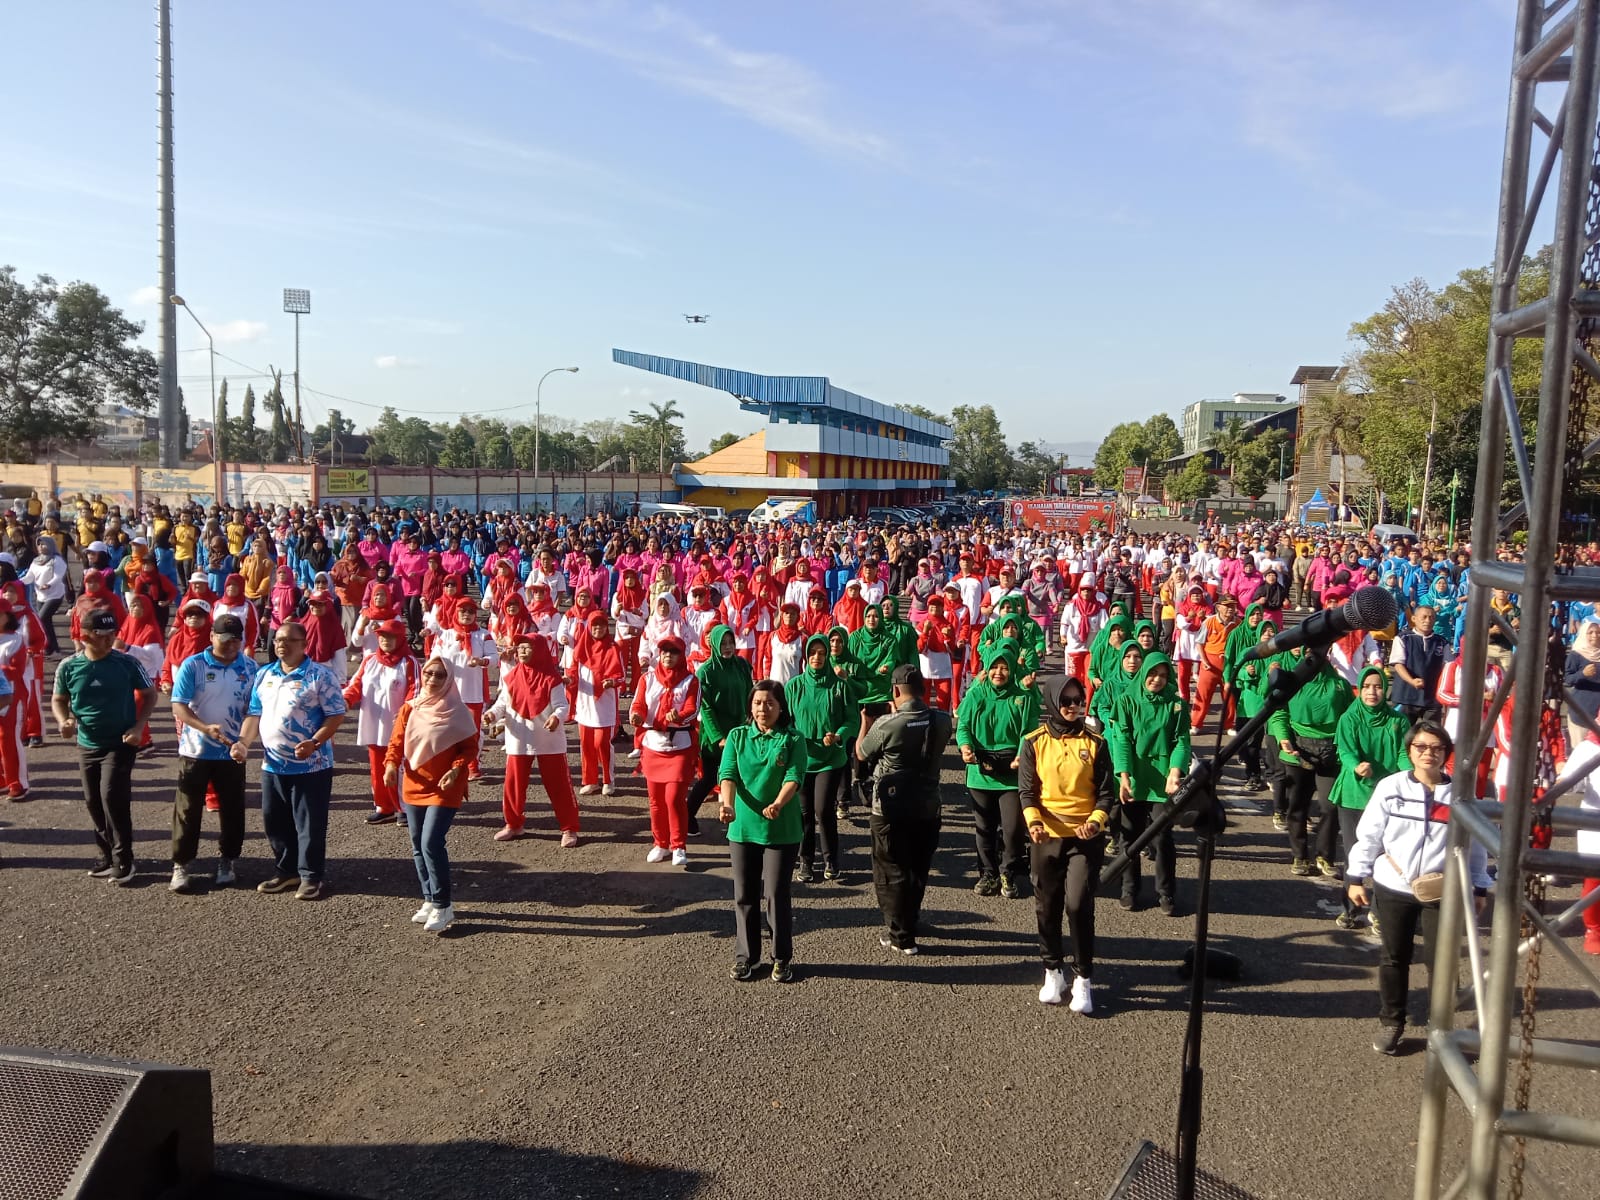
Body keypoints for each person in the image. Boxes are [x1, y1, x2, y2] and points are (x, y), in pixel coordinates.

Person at [1346, 720, 1490, 1055]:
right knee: (1395, 957)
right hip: (1393, 886)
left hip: (1442, 889)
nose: (1428, 753)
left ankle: (1441, 1029)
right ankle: (1392, 1021)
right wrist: (1356, 876)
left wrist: (1480, 886)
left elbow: (1477, 845)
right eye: (1421, 747)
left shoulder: (1462, 795)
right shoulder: (1391, 787)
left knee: (1442, 963)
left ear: (1446, 754)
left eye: (1437, 748)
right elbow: (1369, 835)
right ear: (1409, 751)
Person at [231, 620, 348, 900]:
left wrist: (315, 742)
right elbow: (254, 714)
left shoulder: (320, 676)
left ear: (303, 644)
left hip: (312, 765)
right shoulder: (265, 674)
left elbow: (336, 714)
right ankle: (287, 871)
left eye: (288, 640)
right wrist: (243, 743)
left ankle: (311, 876)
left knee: (309, 823)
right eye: (278, 640)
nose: (281, 644)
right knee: (275, 821)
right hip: (272, 764)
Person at [1021, 675, 1115, 1011]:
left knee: (1077, 904)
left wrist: (1095, 822)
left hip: (1084, 838)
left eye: (1078, 700)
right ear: (1051, 703)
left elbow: (1107, 793)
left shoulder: (1096, 742)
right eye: (1066, 701)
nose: (1073, 707)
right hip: (1045, 836)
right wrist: (1033, 822)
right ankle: (1052, 971)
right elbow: (1027, 791)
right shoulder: (1033, 742)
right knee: (1047, 906)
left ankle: (1083, 979)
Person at [52, 608, 157, 885]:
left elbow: (149, 694)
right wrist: (64, 721)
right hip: (87, 742)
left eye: (113, 633)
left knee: (112, 796)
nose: (110, 639)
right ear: (85, 636)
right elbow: (59, 699)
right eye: (103, 635)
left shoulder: (127, 663)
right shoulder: (69, 666)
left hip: (120, 742)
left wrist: (138, 727)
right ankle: (106, 855)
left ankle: (125, 858)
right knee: (93, 800)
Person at [857, 664, 952, 955]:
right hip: (927, 805)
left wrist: (866, 721)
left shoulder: (888, 723)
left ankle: (900, 935)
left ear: (895, 690)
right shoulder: (943, 720)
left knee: (890, 870)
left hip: (889, 808)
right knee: (917, 868)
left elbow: (861, 752)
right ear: (923, 689)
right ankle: (911, 920)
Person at [718, 679, 807, 982]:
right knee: (744, 894)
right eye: (757, 703)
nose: (762, 709)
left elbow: (794, 776)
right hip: (742, 827)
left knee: (776, 893)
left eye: (769, 703)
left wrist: (780, 803)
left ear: (781, 707)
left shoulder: (793, 738)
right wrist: (727, 805)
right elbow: (727, 773)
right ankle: (748, 957)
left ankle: (781, 957)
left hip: (781, 828)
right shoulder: (737, 736)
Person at [385, 658, 479, 934]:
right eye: (429, 673)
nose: (433, 679)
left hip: (444, 787)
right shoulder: (411, 708)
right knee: (417, 843)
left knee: (431, 842)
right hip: (414, 783)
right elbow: (396, 742)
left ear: (448, 679)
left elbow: (469, 749)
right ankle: (428, 898)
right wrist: (390, 765)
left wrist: (456, 770)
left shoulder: (458, 710)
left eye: (440, 675)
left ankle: (442, 903)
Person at [167, 613, 257, 892]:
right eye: (225, 639)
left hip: (231, 751)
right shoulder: (193, 665)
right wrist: (204, 728)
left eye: (236, 639)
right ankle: (181, 864)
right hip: (196, 749)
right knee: (187, 808)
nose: (231, 645)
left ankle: (227, 860)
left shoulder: (251, 668)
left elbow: (254, 710)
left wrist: (243, 742)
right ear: (212, 637)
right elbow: (179, 705)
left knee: (232, 808)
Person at [1329, 665, 1411, 930]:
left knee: (1385, 856)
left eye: (1377, 687)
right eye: (1367, 687)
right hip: (1354, 793)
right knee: (1356, 853)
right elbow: (1345, 750)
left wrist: (1411, 773)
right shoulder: (1349, 718)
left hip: (1387, 796)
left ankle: (1379, 912)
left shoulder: (1397, 720)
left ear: (1385, 690)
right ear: (1360, 689)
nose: (1372, 692)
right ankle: (1351, 910)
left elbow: (1402, 752)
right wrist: (1356, 765)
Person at [955, 641, 1039, 899]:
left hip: (1012, 771)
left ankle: (1008, 871)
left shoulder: (1023, 697)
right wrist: (965, 747)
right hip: (981, 771)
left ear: (1012, 669)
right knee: (984, 827)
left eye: (1004, 667)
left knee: (1013, 828)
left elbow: (1030, 732)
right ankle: (988, 873)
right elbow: (963, 727)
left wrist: (1020, 756)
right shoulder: (977, 694)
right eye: (994, 667)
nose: (999, 673)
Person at [1109, 652, 1191, 915]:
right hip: (1133, 776)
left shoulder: (1176, 704)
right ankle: (1129, 888)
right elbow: (1121, 738)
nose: (1157, 679)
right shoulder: (1126, 701)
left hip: (1163, 780)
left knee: (1162, 837)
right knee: (1129, 836)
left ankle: (1166, 892)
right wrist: (1123, 775)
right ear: (1144, 673)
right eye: (1153, 674)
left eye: (1163, 675)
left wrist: (1175, 771)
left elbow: (1181, 740)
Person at [1267, 645, 1353, 879]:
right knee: (1297, 806)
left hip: (1330, 751)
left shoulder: (1339, 684)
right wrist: (1284, 738)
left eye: (1317, 654)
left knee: (1329, 806)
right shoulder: (1293, 682)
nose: (1312, 658)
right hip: (1297, 750)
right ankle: (1299, 855)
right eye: (1308, 654)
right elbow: (1279, 712)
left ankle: (1325, 855)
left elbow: (1349, 717)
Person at [486, 633, 580, 845]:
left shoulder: (551, 678)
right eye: (519, 648)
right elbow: (502, 703)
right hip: (519, 738)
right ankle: (513, 823)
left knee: (559, 785)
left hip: (548, 739)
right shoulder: (511, 677)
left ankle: (569, 828)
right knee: (513, 785)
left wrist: (556, 718)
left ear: (538, 651)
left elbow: (562, 706)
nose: (522, 651)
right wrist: (492, 715)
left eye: (527, 647)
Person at [785, 632, 857, 882]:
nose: (817, 657)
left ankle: (831, 859)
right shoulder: (793, 686)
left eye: (822, 653)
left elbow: (852, 719)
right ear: (806, 655)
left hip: (829, 758)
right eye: (813, 652)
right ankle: (805, 860)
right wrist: (793, 740)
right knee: (803, 812)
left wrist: (838, 736)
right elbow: (786, 722)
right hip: (803, 758)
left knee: (823, 810)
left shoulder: (839, 685)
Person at [628, 635, 700, 866]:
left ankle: (678, 845)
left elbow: (692, 708)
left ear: (681, 655)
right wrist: (636, 715)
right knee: (655, 800)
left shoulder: (690, 680)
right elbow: (639, 703)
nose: (668, 656)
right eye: (664, 651)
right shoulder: (647, 678)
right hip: (653, 744)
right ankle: (660, 843)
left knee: (674, 798)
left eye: (674, 652)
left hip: (679, 746)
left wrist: (678, 716)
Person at [342, 619, 418, 825]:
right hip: (373, 722)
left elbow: (415, 692)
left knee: (399, 766)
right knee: (377, 766)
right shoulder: (369, 660)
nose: (385, 640)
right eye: (382, 636)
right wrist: (347, 700)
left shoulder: (409, 662)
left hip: (398, 725)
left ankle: (404, 807)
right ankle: (384, 806)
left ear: (400, 638)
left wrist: (404, 714)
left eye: (391, 637)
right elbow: (355, 684)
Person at [684, 625, 753, 838]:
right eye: (723, 643)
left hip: (740, 730)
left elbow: (751, 694)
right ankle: (686, 816)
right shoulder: (706, 671)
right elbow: (705, 708)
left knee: (742, 776)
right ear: (713, 644)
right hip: (716, 736)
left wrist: (753, 724)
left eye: (731, 642)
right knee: (711, 778)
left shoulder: (741, 665)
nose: (728, 647)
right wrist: (718, 737)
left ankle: (743, 821)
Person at [1389, 604, 1449, 724]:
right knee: (1402, 737)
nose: (1427, 620)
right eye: (1424, 617)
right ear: (1414, 619)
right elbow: (1398, 664)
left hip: (1432, 698)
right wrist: (1412, 681)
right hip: (1405, 697)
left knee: (1432, 736)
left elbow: (1448, 667)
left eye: (1431, 617)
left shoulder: (1442, 642)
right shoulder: (1403, 638)